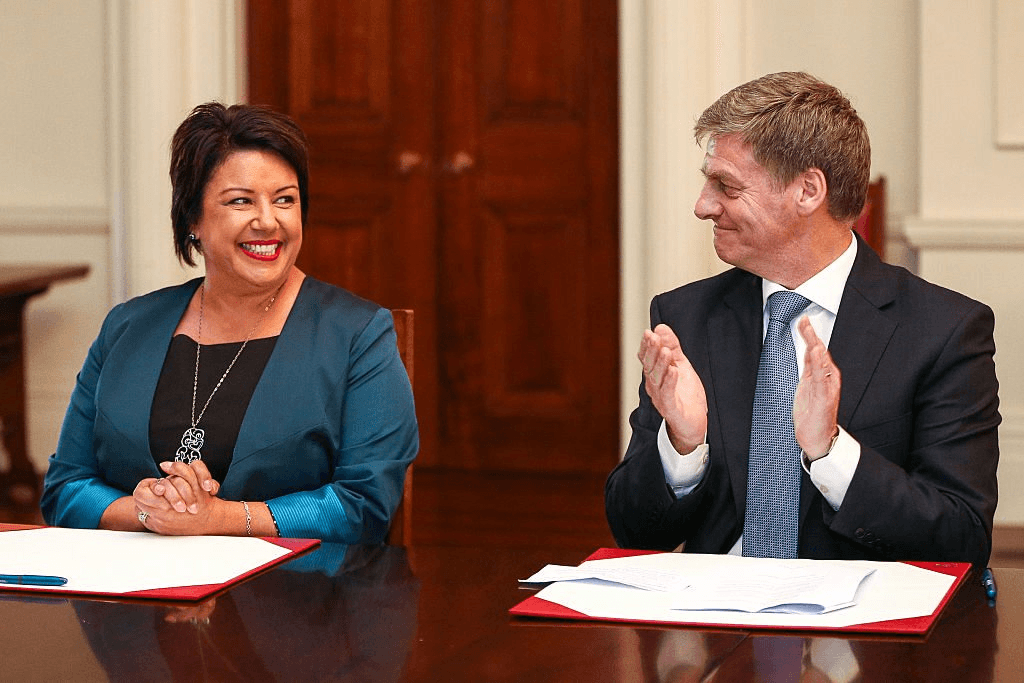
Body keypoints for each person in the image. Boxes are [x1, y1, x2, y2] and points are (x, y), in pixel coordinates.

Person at [605, 72, 999, 567]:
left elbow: (962, 537)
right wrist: (682, 448)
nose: (703, 205)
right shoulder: (685, 317)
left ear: (808, 191)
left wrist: (831, 453)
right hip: (713, 626)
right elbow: (634, 534)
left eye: (726, 185)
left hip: (860, 635)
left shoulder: (943, 330)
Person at [40, 102, 418, 544]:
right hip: (134, 599)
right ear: (193, 220)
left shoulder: (357, 334)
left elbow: (364, 505)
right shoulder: (127, 326)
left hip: (296, 599)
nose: (267, 221)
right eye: (241, 201)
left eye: (285, 200)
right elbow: (65, 488)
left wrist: (218, 518)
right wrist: (147, 511)